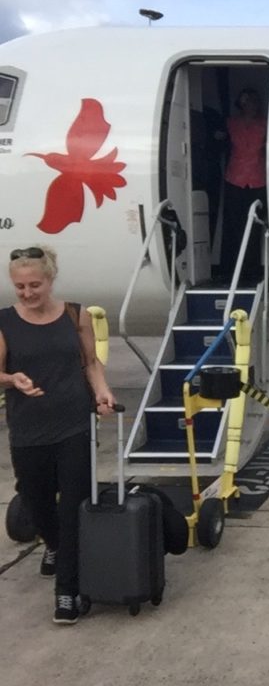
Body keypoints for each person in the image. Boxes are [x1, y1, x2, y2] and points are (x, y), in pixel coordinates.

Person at [0, 246, 116, 624]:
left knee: (73, 507)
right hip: (28, 429)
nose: (28, 293)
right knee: (36, 502)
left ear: (50, 280)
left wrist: (102, 391)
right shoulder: (4, 322)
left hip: (74, 424)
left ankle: (67, 591)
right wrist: (11, 379)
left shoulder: (74, 314)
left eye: (35, 284)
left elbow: (90, 362)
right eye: (20, 286)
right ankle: (52, 544)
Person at [220, 87, 267, 283]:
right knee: (233, 226)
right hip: (234, 178)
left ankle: (252, 270)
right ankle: (230, 270)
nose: (252, 106)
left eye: (255, 102)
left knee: (255, 227)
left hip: (257, 178)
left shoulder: (265, 124)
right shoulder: (231, 124)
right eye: (249, 102)